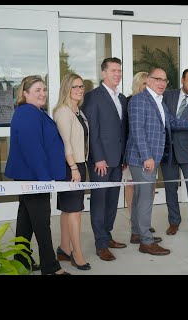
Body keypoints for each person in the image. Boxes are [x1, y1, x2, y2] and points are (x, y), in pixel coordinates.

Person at [125, 67, 188, 256]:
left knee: (139, 198)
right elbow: (137, 131)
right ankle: (146, 241)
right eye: (157, 79)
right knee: (144, 200)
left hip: (152, 158)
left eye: (164, 80)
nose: (161, 83)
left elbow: (171, 122)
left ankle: (137, 233)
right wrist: (147, 157)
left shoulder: (159, 101)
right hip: (143, 159)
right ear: (148, 80)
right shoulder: (139, 100)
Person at [4, 75, 69, 275]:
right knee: (41, 221)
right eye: (37, 90)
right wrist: (44, 180)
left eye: (44, 89)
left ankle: (21, 261)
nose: (43, 93)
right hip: (33, 177)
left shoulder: (34, 112)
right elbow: (33, 149)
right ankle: (50, 267)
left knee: (26, 219)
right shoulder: (27, 113)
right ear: (25, 93)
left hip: (31, 175)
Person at [81, 57, 128, 262]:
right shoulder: (93, 97)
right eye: (113, 71)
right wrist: (98, 158)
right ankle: (100, 244)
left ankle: (107, 235)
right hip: (101, 161)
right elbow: (92, 131)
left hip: (118, 160)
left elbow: (123, 131)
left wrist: (124, 156)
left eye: (119, 71)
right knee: (99, 202)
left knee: (112, 201)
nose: (117, 74)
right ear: (103, 73)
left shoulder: (123, 98)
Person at [160, 68, 188, 242]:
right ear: (182, 80)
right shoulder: (168, 96)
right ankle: (174, 222)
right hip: (168, 152)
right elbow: (165, 121)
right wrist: (187, 123)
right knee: (171, 189)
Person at [53, 73, 91, 271]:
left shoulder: (78, 110)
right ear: (66, 88)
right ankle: (77, 255)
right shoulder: (63, 112)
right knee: (75, 212)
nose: (79, 90)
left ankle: (64, 248)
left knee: (68, 210)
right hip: (71, 166)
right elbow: (66, 144)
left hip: (79, 164)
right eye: (75, 87)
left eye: (81, 87)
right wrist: (74, 168)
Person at [123, 71, 155, 233]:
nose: (146, 87)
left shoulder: (153, 102)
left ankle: (144, 222)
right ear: (137, 85)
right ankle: (134, 222)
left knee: (148, 189)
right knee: (132, 188)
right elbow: (127, 130)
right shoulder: (130, 101)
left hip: (150, 154)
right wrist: (124, 157)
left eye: (148, 83)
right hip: (133, 154)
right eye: (144, 83)